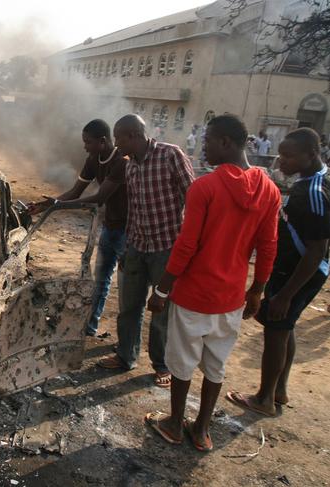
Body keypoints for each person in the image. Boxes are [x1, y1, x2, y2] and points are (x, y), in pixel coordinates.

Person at [143, 115, 280, 451]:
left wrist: (162, 289)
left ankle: (175, 423)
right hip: (231, 297)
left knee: (182, 362)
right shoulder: (270, 191)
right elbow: (268, 246)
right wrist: (257, 290)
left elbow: (186, 245)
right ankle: (202, 430)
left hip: (193, 295)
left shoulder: (204, 188)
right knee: (215, 365)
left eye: (207, 140)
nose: (202, 147)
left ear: (225, 142)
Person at [226, 128, 330, 417]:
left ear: (311, 154)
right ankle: (280, 390)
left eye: (288, 156)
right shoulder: (313, 180)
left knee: (276, 329)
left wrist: (286, 294)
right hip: (292, 268)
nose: (280, 161)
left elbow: (317, 250)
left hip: (297, 272)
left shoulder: (312, 193)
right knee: (286, 327)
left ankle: (264, 398)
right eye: (281, 154)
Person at [98, 114, 194, 388]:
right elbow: (135, 211)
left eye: (119, 139)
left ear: (131, 136)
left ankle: (161, 364)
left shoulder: (170, 155)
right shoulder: (130, 166)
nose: (116, 145)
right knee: (129, 306)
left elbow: (193, 198)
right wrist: (126, 249)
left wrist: (187, 245)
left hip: (167, 248)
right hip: (137, 246)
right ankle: (126, 355)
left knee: (161, 311)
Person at [29, 119, 127, 337]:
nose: (85, 146)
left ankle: (125, 342)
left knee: (128, 289)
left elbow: (100, 197)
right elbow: (75, 191)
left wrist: (61, 205)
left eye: (88, 142)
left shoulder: (122, 161)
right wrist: (46, 205)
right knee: (101, 280)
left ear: (102, 141)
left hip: (129, 230)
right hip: (109, 227)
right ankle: (90, 327)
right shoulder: (93, 159)